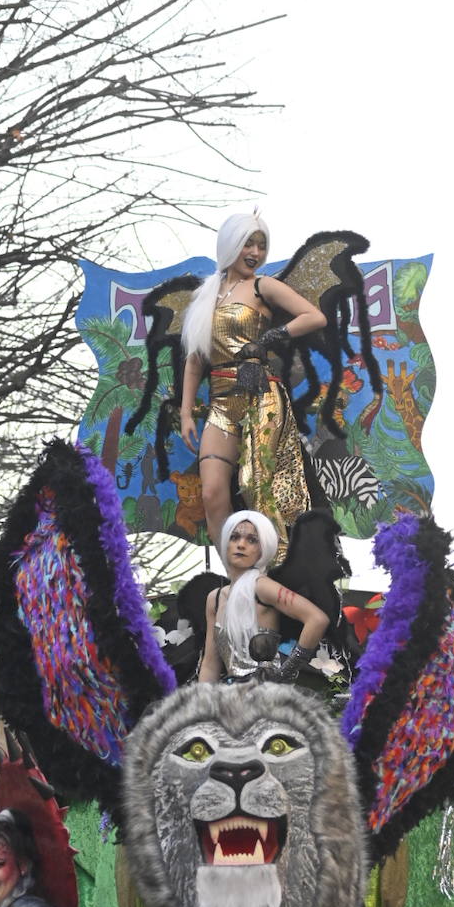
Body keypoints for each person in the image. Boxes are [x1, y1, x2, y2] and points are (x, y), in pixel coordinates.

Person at [178, 213, 326, 549]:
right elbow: (194, 361)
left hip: (260, 394)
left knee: (254, 484)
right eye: (248, 243)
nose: (255, 252)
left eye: (261, 246)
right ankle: (236, 579)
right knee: (213, 493)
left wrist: (270, 337)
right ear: (231, 244)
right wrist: (187, 413)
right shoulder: (205, 297)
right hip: (220, 402)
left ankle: (278, 568)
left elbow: (315, 316)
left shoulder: (262, 285)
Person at [197, 510, 330, 683]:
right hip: (231, 697)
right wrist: (201, 704)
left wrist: (285, 673)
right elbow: (210, 664)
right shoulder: (214, 599)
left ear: (262, 549)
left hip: (266, 698)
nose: (241, 544)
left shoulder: (261, 587)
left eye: (252, 540)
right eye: (234, 537)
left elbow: (317, 619)